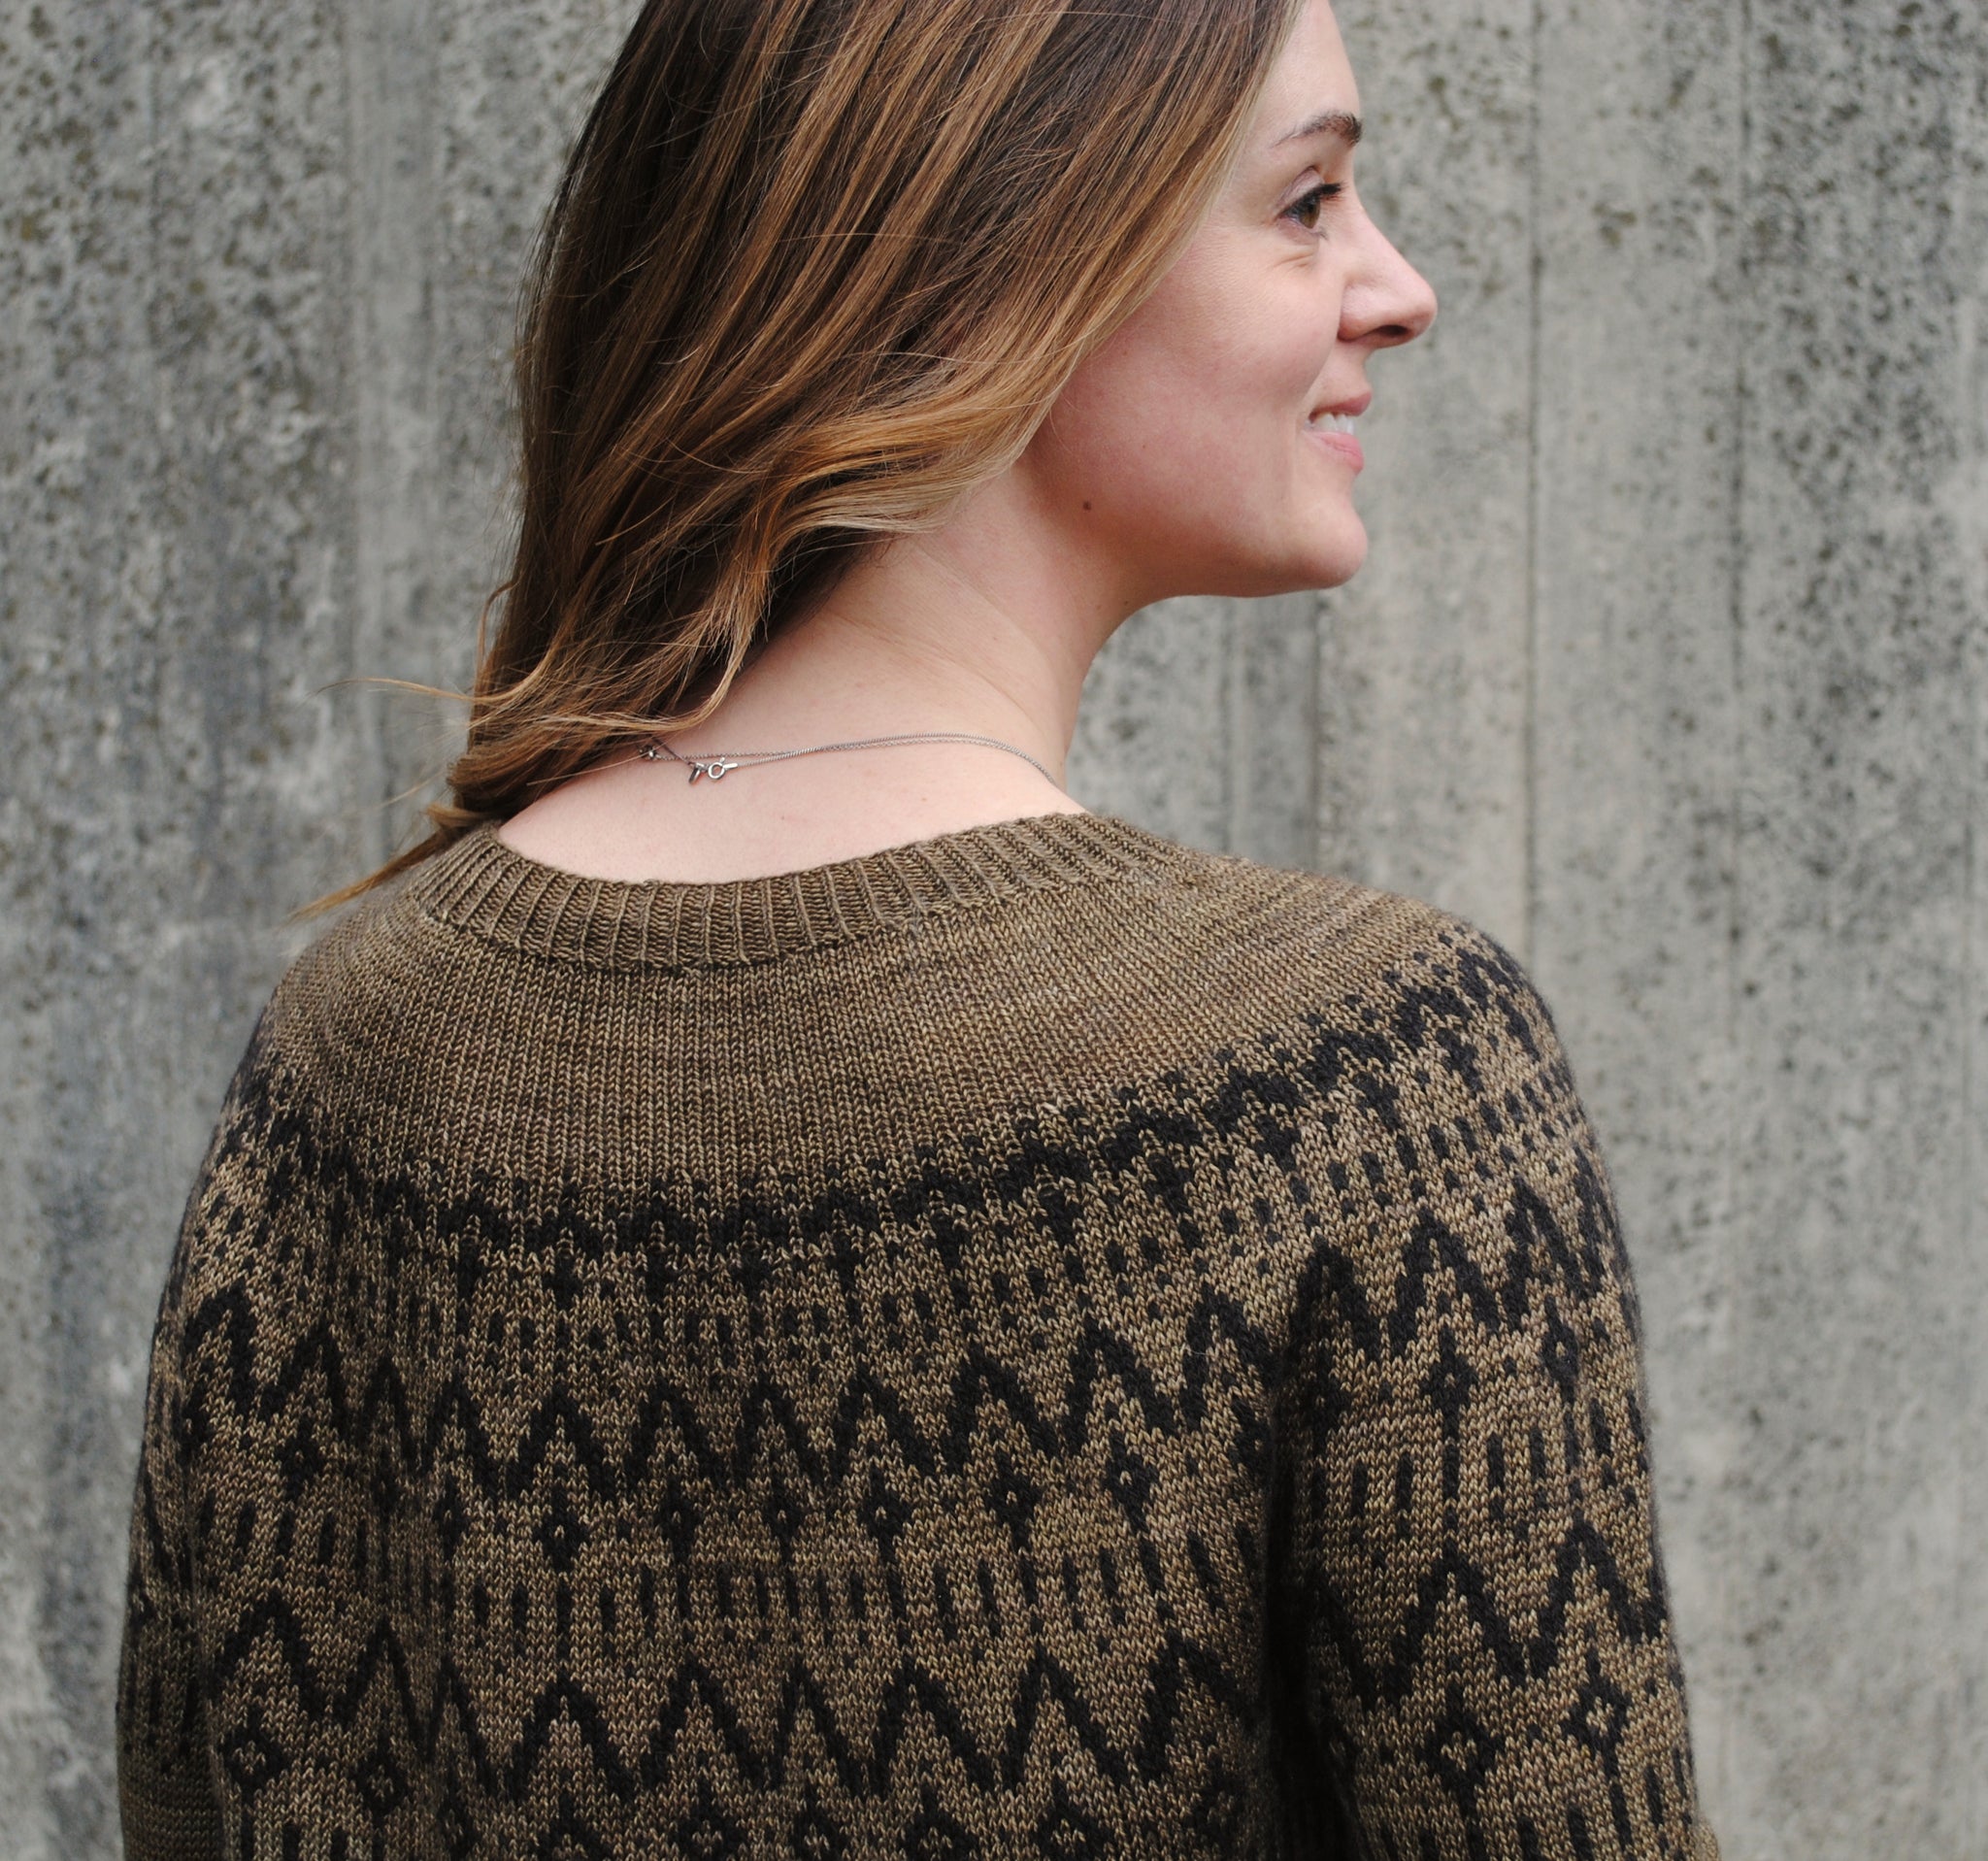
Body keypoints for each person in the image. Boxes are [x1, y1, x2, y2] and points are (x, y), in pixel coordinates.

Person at [115, 0, 1721, 1854]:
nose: (1401, 290)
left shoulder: (351, 1058)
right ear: (1001, 261)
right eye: (1308, 204)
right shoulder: (1369, 1091)